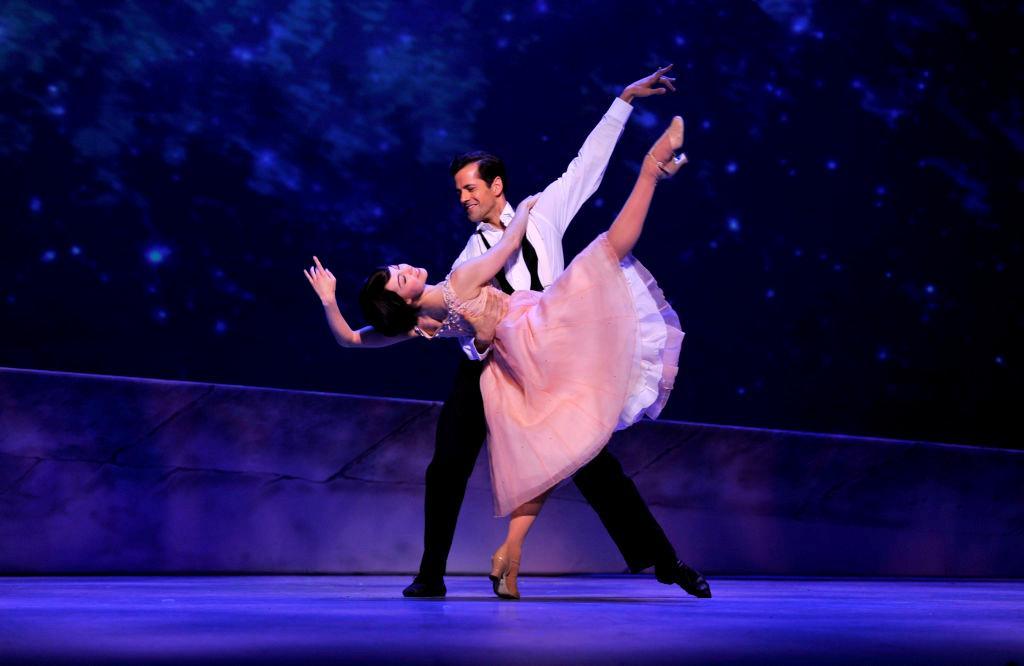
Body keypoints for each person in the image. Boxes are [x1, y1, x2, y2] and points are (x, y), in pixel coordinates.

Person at [306, 110, 710, 600]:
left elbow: (589, 164)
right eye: (457, 191)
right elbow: (403, 325)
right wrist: (339, 305)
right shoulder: (465, 262)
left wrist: (622, 102)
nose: (463, 198)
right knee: (448, 464)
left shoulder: (543, 212)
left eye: (469, 188)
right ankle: (431, 573)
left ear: (495, 185)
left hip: (553, 351)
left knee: (594, 462)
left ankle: (664, 561)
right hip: (487, 367)